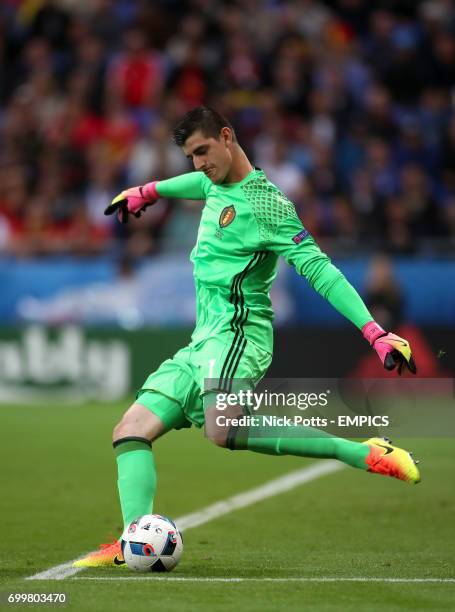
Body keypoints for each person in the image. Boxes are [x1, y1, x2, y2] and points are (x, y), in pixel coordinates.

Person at [75, 107, 419, 568]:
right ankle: (132, 540)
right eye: (189, 156)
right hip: (203, 341)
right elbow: (194, 185)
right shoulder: (211, 183)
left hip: (239, 334)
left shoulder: (268, 205)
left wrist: (374, 332)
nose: (197, 164)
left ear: (226, 136)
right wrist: (147, 191)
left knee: (223, 430)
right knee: (130, 430)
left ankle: (360, 451)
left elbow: (319, 268)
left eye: (202, 151)